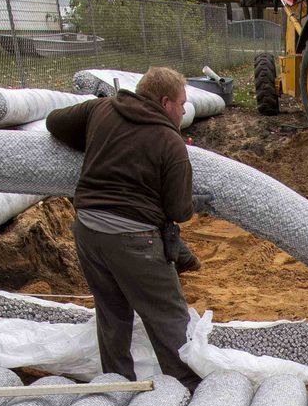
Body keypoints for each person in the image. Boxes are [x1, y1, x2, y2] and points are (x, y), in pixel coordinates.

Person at [44, 66, 201, 388]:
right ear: (165, 101)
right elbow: (179, 210)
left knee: (112, 314)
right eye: (182, 104)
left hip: (88, 230)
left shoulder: (101, 109)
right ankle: (186, 391)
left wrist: (95, 137)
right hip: (134, 239)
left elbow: (54, 122)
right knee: (167, 317)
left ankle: (117, 386)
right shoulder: (170, 142)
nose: (184, 111)